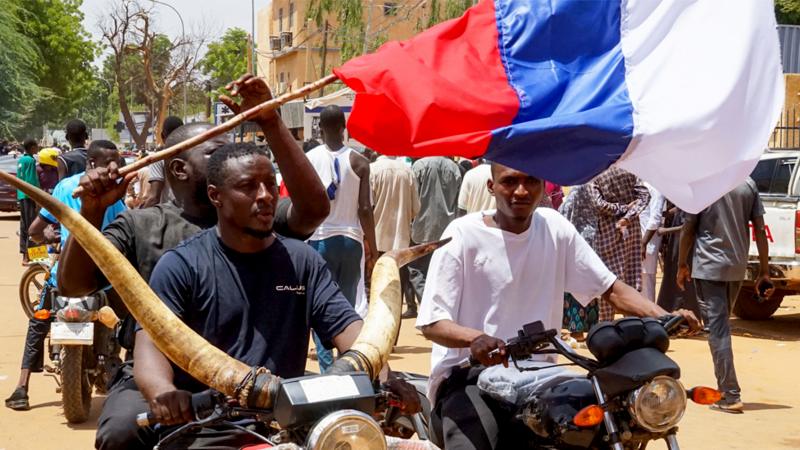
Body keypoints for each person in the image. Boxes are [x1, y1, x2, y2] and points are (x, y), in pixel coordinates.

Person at [56, 75, 331, 450]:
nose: (227, 157)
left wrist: (270, 121)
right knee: (121, 432)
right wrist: (90, 211)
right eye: (214, 152)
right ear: (180, 171)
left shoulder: (255, 221)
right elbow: (72, 286)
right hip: (165, 384)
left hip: (259, 382)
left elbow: (313, 210)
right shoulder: (141, 224)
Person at [416, 163, 699, 449]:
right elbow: (433, 322)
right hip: (469, 376)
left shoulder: (554, 227)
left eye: (531, 180)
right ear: (492, 186)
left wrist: (666, 317)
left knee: (605, 425)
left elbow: (610, 288)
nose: (521, 190)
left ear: (543, 185)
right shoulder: (463, 234)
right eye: (509, 181)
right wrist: (475, 339)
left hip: (543, 375)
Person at [132, 143, 387, 447]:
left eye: (269, 184)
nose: (265, 195)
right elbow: (150, 346)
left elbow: (349, 329)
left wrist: (384, 373)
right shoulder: (181, 266)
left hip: (295, 424)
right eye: (248, 187)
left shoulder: (302, 261)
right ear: (216, 196)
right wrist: (164, 393)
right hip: (209, 426)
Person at [5, 140, 127, 411]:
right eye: (109, 162)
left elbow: (38, 228)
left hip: (66, 273)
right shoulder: (113, 193)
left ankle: (22, 387)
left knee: (39, 320)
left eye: (116, 162)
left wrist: (50, 235)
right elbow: (126, 226)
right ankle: (126, 374)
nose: (114, 167)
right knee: (128, 319)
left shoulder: (65, 187)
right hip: (103, 274)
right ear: (92, 163)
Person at [677, 177, 771, 414]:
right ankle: (728, 391)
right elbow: (760, 228)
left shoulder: (703, 183)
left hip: (709, 267)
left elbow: (689, 227)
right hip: (736, 267)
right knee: (720, 328)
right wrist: (764, 270)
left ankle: (730, 394)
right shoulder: (747, 183)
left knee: (718, 331)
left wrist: (681, 264)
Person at [305, 105, 377, 371]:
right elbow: (365, 209)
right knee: (347, 307)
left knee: (319, 306)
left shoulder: (309, 158)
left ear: (320, 128)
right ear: (344, 128)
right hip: (350, 241)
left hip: (318, 240)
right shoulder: (360, 161)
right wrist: (374, 247)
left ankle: (326, 367)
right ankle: (348, 366)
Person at [589, 166, 650, 321]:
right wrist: (627, 216)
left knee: (607, 282)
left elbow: (598, 204)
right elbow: (645, 196)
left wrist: (620, 211)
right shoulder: (629, 168)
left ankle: (606, 330)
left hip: (607, 233)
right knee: (631, 280)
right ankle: (634, 328)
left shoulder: (594, 173)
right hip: (632, 232)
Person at [370, 154, 420, 319]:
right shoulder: (407, 171)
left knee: (378, 282)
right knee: (400, 279)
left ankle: (379, 320)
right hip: (401, 237)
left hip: (377, 237)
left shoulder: (373, 170)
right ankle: (403, 313)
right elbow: (415, 208)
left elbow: (367, 206)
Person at [409, 156, 462, 309]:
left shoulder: (419, 166)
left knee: (417, 271)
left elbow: (413, 198)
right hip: (447, 229)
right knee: (443, 272)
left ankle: (428, 308)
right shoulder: (454, 167)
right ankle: (440, 309)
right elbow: (458, 202)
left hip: (422, 228)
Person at [559, 184, 600, 341]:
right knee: (588, 287)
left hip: (577, 243)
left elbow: (565, 212)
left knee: (574, 288)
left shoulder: (578, 190)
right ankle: (591, 327)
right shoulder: (592, 190)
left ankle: (576, 330)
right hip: (592, 241)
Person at [141, 116, 184, 208]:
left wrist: (137, 216)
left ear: (162, 136)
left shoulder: (158, 158)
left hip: (170, 215)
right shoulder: (194, 154)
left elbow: (154, 198)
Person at [640, 183, 667, 302]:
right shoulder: (640, 184)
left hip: (647, 244)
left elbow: (655, 219)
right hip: (635, 242)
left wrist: (643, 243)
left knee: (647, 283)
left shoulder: (655, 187)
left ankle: (649, 320)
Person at [17, 139, 40, 265]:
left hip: (22, 195)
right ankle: (29, 256)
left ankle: (24, 255)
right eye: (36, 146)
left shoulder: (21, 160)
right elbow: (31, 181)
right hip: (29, 196)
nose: (37, 148)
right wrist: (37, 197)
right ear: (31, 147)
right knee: (32, 226)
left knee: (24, 226)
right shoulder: (31, 160)